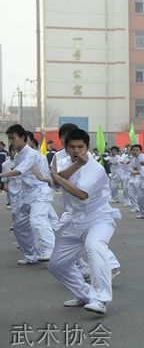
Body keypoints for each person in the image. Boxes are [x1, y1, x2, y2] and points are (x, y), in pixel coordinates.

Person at [47, 128, 121, 315]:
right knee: (57, 265)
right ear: (66, 147)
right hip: (74, 220)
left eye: (81, 146)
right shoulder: (63, 161)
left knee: (94, 246)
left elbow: (81, 194)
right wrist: (58, 176)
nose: (76, 151)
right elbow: (54, 182)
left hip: (98, 219)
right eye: (72, 146)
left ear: (87, 147)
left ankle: (101, 299)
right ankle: (85, 294)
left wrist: (56, 177)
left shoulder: (96, 168)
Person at [0, 124, 56, 264]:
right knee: (19, 225)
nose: (11, 142)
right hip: (27, 194)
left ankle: (50, 250)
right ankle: (31, 256)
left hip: (40, 192)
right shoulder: (19, 155)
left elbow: (19, 171)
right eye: (9, 139)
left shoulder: (32, 154)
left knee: (37, 219)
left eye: (13, 138)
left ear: (23, 138)